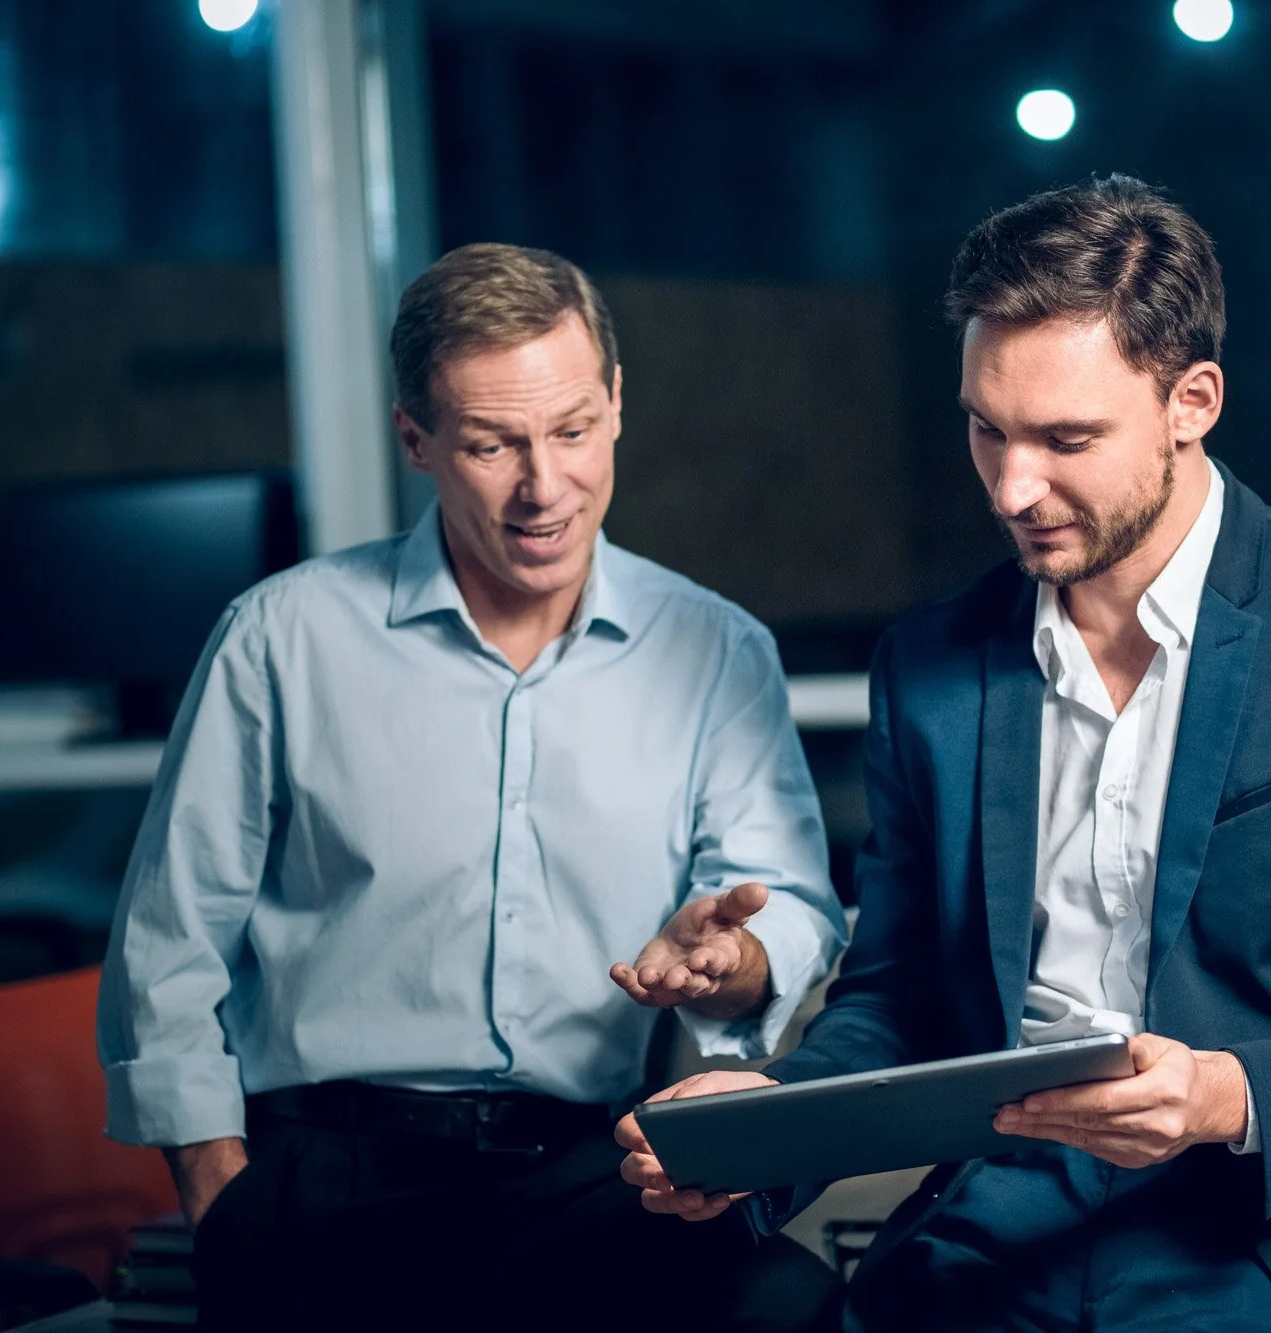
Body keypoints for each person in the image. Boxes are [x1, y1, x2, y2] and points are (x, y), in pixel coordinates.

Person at [619, 176, 1271, 1331]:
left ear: (1191, 400)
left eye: (1066, 439)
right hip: (996, 1233)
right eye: (985, 428)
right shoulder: (928, 666)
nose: (1015, 488)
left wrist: (1225, 1094)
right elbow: (897, 1008)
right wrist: (757, 1124)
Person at [97, 243, 847, 1331]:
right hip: (330, 1170)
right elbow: (167, 941)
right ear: (417, 438)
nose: (545, 487)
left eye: (573, 430)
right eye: (493, 445)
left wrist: (731, 960)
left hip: (590, 1164)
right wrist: (222, 1197)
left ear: (616, 403)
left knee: (785, 1306)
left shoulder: (715, 649)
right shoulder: (280, 637)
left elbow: (786, 908)